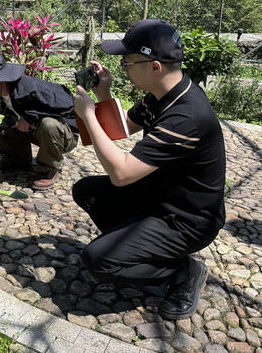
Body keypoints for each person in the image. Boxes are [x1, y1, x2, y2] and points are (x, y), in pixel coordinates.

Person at [72, 19, 225, 320]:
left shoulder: (185, 116)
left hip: (186, 220)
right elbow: (123, 128)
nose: (124, 67)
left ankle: (182, 273)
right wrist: (105, 94)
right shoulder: (163, 94)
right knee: (87, 191)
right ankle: (143, 248)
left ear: (154, 67)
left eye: (128, 62)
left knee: (99, 261)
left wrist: (88, 116)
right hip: (158, 197)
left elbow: (122, 173)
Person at [0, 49, 78, 190]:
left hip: (64, 135)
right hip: (33, 131)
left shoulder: (32, 87)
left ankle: (48, 168)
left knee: (49, 124)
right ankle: (17, 160)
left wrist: (29, 117)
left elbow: (71, 105)